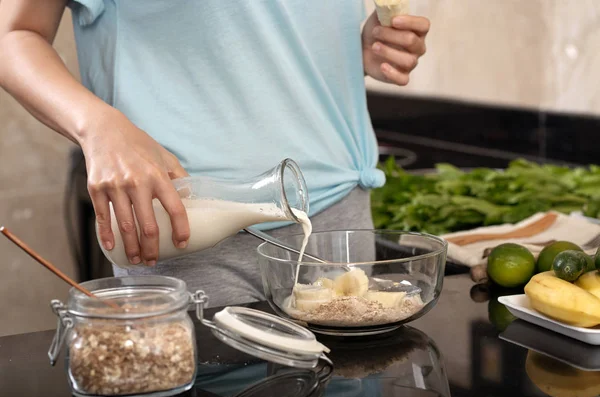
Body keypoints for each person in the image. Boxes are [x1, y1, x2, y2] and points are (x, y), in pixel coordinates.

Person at [0, 1, 430, 307]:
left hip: (342, 221)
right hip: (186, 226)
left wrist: (357, 50)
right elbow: (13, 34)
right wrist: (97, 126)